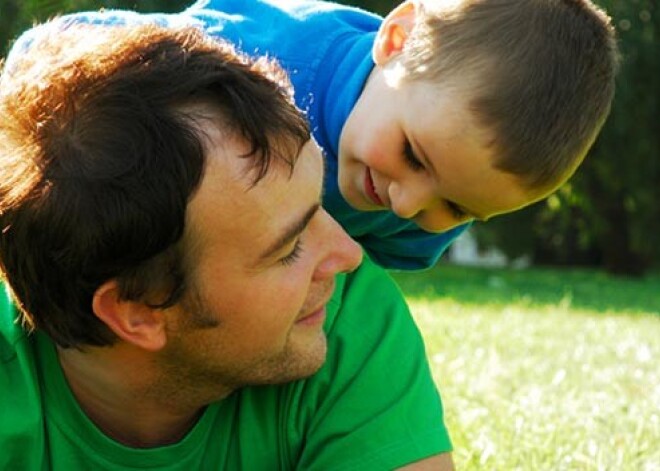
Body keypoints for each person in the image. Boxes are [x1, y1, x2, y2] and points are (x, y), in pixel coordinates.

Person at [0, 23, 454, 469]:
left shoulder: (348, 321)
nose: (348, 254)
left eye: (319, 207)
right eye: (290, 247)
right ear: (137, 310)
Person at [5, 0, 620, 269]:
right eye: (414, 156)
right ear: (396, 42)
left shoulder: (423, 199)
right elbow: (79, 60)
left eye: (456, 208)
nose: (408, 205)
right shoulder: (258, 61)